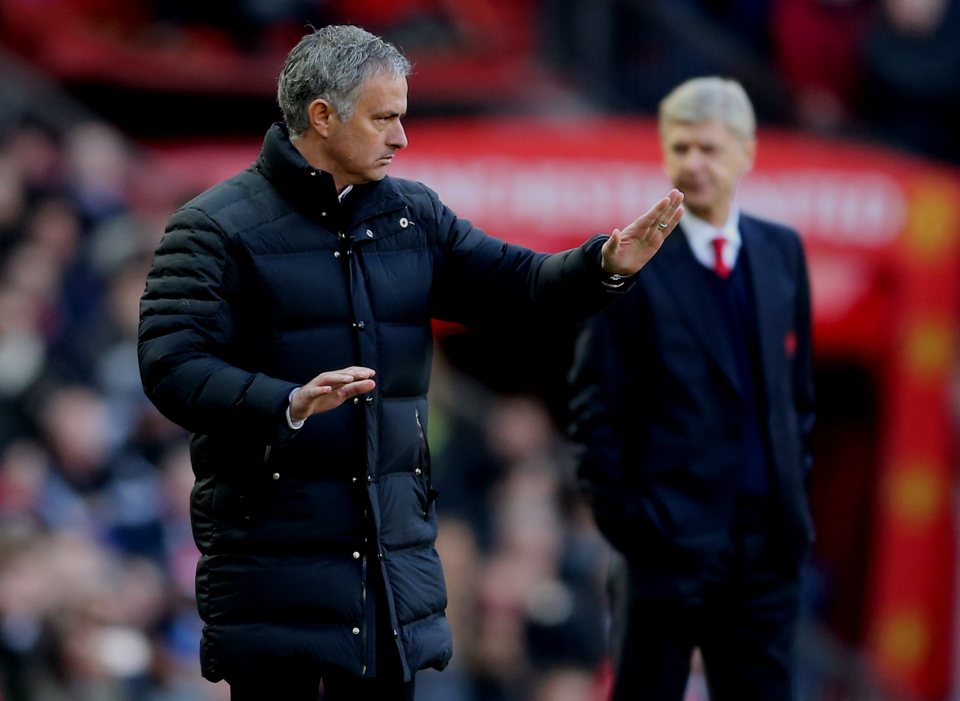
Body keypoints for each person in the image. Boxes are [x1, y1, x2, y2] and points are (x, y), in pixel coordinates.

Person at [137, 24, 684, 701]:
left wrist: (602, 266)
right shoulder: (213, 227)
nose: (402, 137)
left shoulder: (412, 217)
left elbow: (519, 287)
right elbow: (169, 362)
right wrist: (283, 401)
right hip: (276, 573)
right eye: (386, 117)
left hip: (387, 579)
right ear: (322, 116)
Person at [567, 76, 815, 701]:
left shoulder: (781, 251)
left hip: (764, 552)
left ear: (747, 152)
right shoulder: (632, 258)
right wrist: (632, 525)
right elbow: (595, 405)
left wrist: (790, 497)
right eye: (680, 147)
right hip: (664, 549)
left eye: (708, 148)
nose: (693, 163)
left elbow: (798, 397)